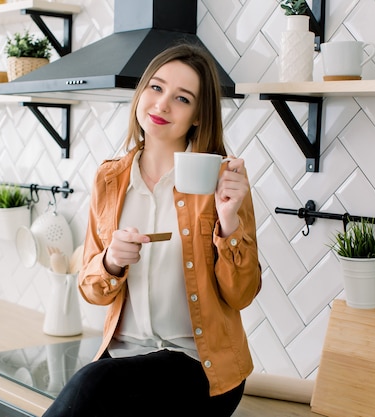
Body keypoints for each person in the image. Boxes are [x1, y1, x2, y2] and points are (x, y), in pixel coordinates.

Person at [42, 43, 261, 417]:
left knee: (92, 383)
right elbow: (91, 292)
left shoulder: (223, 180)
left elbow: (241, 294)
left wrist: (228, 222)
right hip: (124, 361)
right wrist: (111, 261)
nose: (161, 105)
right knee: (98, 384)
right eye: (156, 88)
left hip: (198, 368)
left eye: (182, 98)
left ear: (197, 115)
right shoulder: (110, 178)